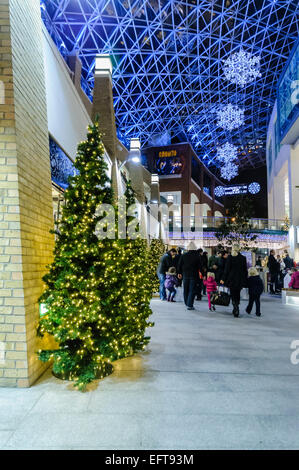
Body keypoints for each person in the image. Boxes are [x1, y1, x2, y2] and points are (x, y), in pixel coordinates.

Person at [221, 244, 248, 318]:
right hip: (239, 279)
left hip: (231, 279)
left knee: (233, 293)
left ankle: (235, 307)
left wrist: (223, 278)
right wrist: (245, 280)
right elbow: (245, 270)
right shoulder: (243, 258)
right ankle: (236, 306)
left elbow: (226, 269)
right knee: (237, 293)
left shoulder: (230, 257)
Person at [178, 242, 202, 311]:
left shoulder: (184, 255)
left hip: (185, 275)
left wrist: (179, 273)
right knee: (192, 290)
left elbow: (179, 265)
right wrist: (202, 273)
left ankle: (186, 302)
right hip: (194, 275)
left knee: (186, 289)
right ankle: (190, 304)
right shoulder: (197, 256)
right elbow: (200, 266)